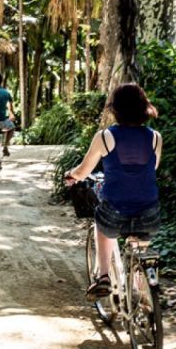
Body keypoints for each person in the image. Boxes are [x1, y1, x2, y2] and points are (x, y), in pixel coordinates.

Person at [64, 83, 162, 297]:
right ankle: (144, 297)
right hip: (150, 214)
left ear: (115, 108)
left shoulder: (105, 137)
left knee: (102, 222)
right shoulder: (155, 137)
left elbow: (83, 171)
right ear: (143, 106)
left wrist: (71, 175)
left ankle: (104, 277)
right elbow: (151, 167)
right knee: (139, 248)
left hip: (115, 213)